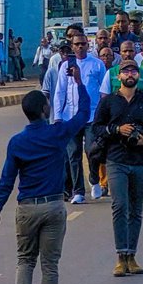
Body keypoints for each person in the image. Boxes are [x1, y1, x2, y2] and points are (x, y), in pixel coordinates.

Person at [0, 64, 89, 284]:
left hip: (27, 208)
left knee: (25, 260)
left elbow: (7, 179)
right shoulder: (57, 134)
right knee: (50, 265)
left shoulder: (17, 142)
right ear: (45, 110)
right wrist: (79, 83)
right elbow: (83, 114)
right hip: (55, 206)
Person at [92, 58, 143, 275]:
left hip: (140, 161)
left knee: (136, 210)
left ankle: (132, 255)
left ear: (139, 76)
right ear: (119, 76)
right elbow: (96, 128)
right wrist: (117, 130)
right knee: (119, 207)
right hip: (116, 160)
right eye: (126, 71)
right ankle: (120, 256)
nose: (130, 75)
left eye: (134, 71)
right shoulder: (109, 102)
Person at [53, 35, 107, 204]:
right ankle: (78, 191)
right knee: (73, 154)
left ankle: (94, 178)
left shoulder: (97, 64)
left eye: (83, 44)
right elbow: (60, 91)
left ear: (88, 45)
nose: (80, 47)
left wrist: (104, 114)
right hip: (71, 116)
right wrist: (57, 116)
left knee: (93, 150)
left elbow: (104, 91)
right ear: (72, 46)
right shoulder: (65, 67)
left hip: (92, 116)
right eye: (77, 44)